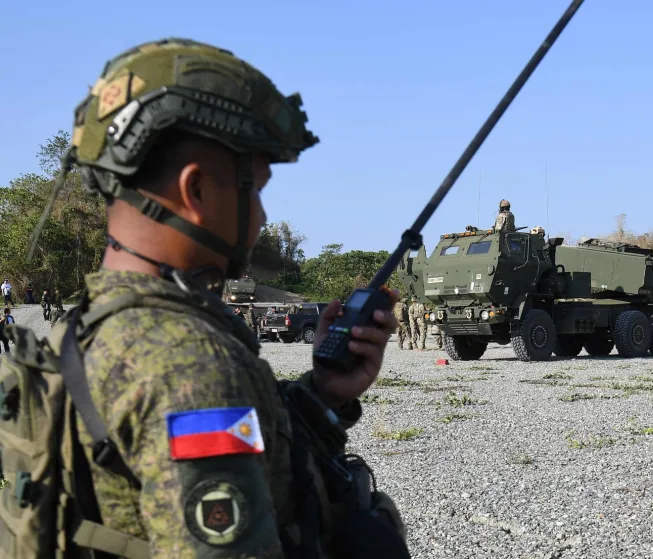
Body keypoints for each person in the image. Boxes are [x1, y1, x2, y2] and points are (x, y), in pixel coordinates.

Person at [4, 38, 409, 558]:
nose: (261, 214)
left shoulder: (92, 325)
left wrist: (323, 394)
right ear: (195, 192)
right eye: (255, 187)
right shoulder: (189, 364)